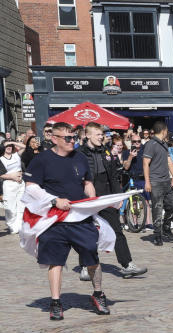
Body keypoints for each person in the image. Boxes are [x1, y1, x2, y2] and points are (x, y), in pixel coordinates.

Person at [18, 121, 123, 320]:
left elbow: (88, 183)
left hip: (80, 218)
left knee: (92, 256)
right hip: (54, 220)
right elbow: (31, 187)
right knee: (55, 262)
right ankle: (56, 302)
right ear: (54, 138)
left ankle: (98, 293)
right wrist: (54, 200)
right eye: (67, 138)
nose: (72, 141)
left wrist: (92, 204)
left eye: (74, 137)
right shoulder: (42, 160)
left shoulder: (80, 158)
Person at [80, 123, 147, 278]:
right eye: (97, 134)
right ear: (88, 135)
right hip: (87, 197)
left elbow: (113, 176)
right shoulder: (79, 153)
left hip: (106, 195)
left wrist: (118, 197)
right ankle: (85, 266)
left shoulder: (106, 151)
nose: (101, 137)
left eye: (102, 134)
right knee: (86, 232)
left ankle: (127, 264)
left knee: (117, 230)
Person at [143, 120, 173, 246]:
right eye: (167, 130)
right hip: (155, 181)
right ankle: (158, 234)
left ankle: (166, 228)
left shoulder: (164, 144)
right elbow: (145, 163)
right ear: (163, 130)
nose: (167, 132)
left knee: (172, 206)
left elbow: (169, 161)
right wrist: (147, 182)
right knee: (157, 208)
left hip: (166, 181)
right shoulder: (151, 144)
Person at [2, 138, 27, 233]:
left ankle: (19, 225)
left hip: (20, 183)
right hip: (9, 184)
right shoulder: (1, 159)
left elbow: (25, 146)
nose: (8, 147)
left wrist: (11, 142)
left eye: (10, 146)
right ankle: (12, 226)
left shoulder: (16, 155)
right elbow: (1, 174)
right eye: (6, 146)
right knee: (10, 207)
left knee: (21, 206)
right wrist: (12, 177)